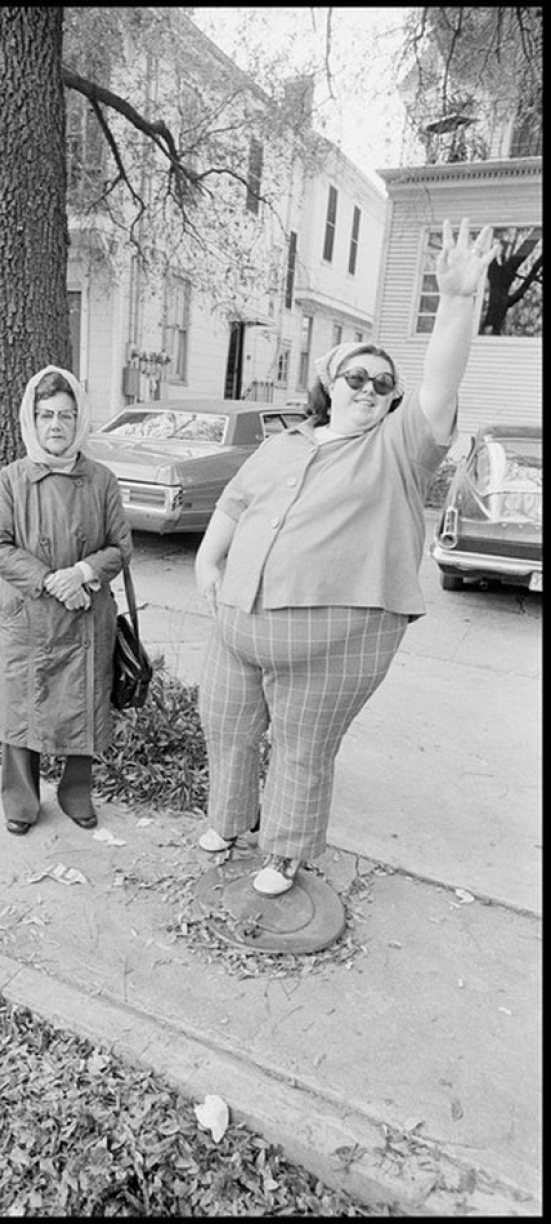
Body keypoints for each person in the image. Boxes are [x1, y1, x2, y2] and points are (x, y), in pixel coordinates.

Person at [194, 218, 499, 898]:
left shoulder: (398, 447)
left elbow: (441, 382)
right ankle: (228, 820)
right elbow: (234, 505)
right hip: (236, 624)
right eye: (356, 376)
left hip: (334, 641)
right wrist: (208, 562)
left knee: (302, 748)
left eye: (382, 382)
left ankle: (283, 853)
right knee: (225, 727)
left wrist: (456, 301)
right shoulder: (282, 443)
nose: (369, 388)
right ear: (329, 383)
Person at [0, 366, 133, 836]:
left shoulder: (102, 479)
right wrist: (50, 580)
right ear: (32, 419)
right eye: (46, 414)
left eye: (66, 415)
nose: (56, 425)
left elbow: (120, 547)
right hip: (30, 615)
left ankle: (76, 794)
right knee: (21, 708)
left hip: (85, 615)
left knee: (81, 703)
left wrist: (81, 573)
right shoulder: (12, 479)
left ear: (79, 419)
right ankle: (21, 801)